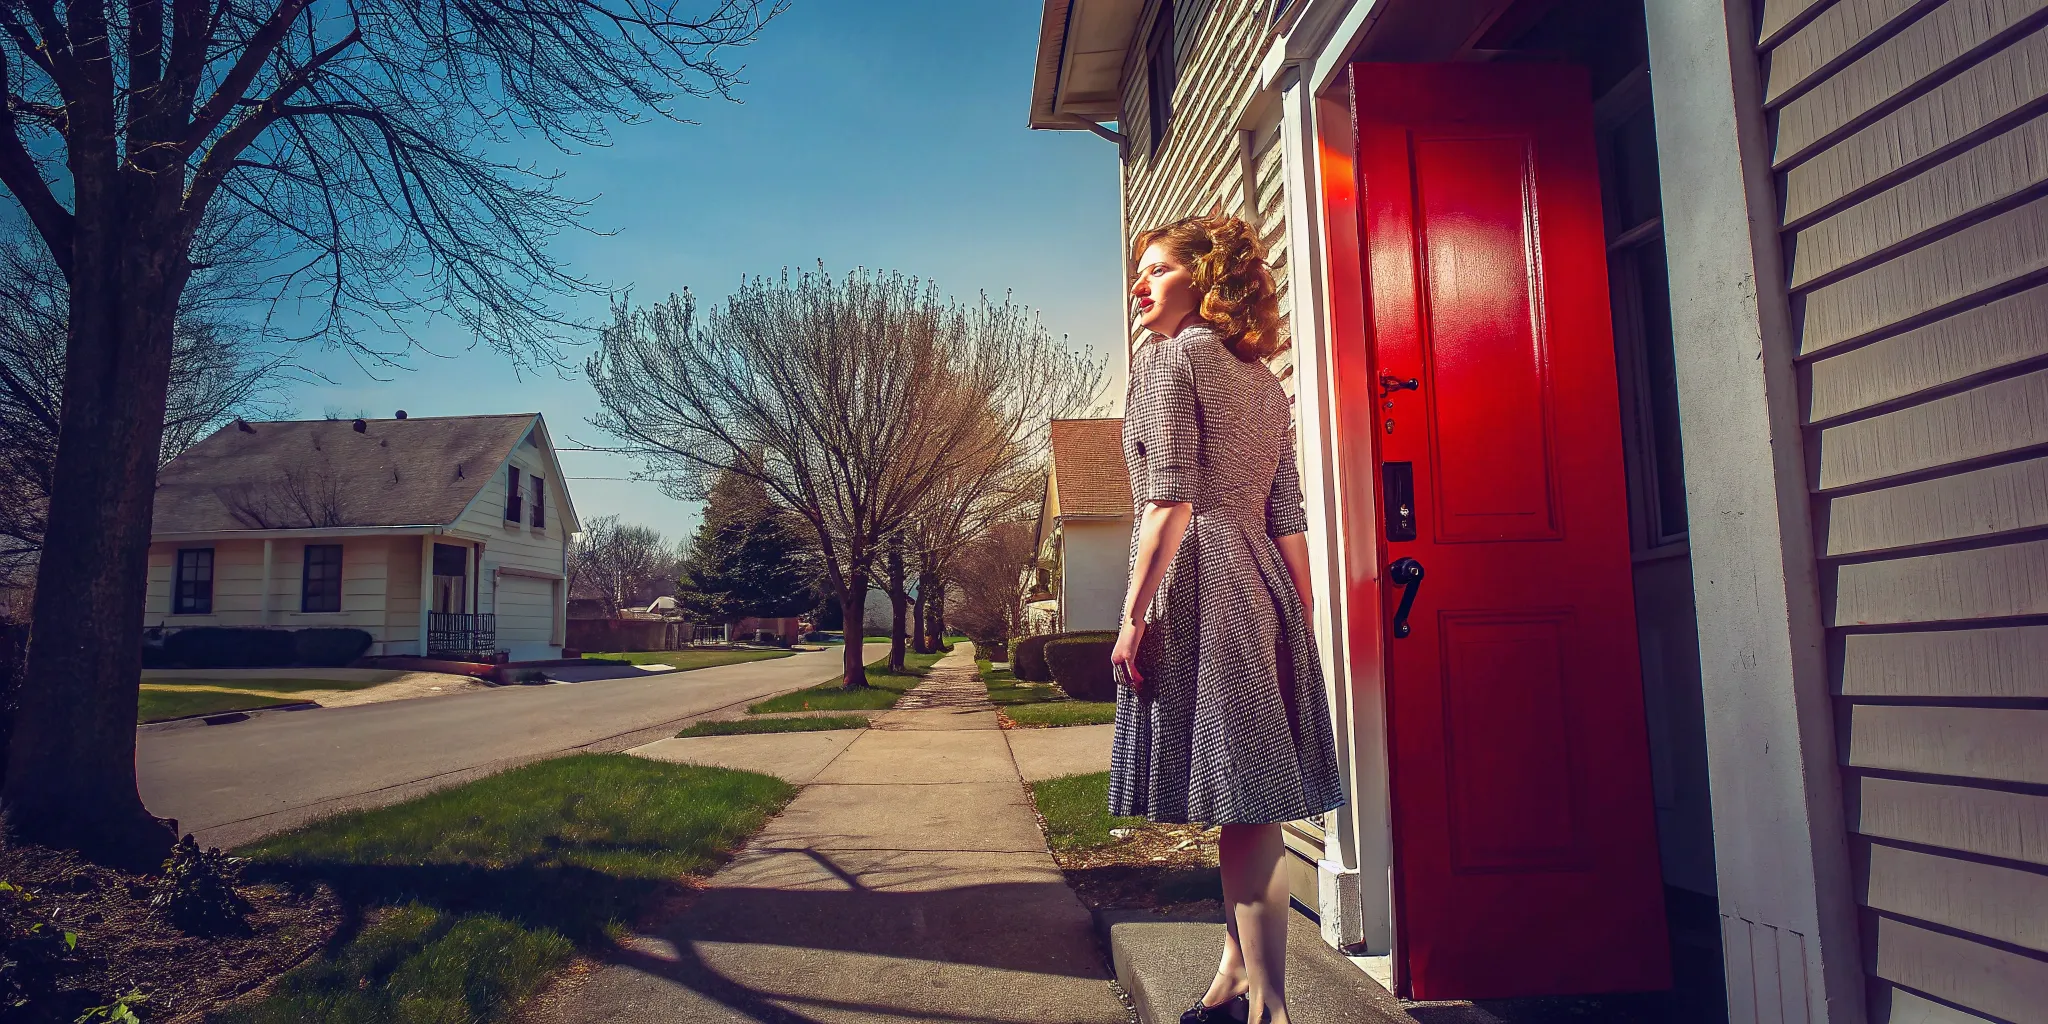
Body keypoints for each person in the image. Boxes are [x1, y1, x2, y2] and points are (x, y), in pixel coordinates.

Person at [1110, 214, 1347, 1024]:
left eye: (1155, 269)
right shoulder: (1263, 380)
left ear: (1203, 280)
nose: (1139, 285)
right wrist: (1299, 610)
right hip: (1265, 588)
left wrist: (1133, 615)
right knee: (1248, 807)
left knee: (1245, 807)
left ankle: (1272, 1009)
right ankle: (1233, 980)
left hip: (1206, 581)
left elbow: (1168, 498)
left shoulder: (1168, 361)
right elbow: (1288, 515)